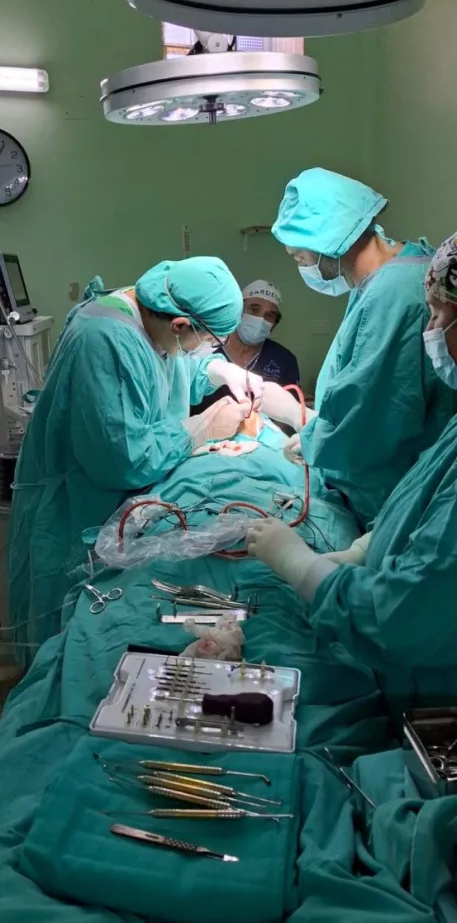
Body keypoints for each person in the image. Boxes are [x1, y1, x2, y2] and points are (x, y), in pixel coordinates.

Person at [246, 231, 457, 724]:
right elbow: (420, 498)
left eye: (441, 314)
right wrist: (367, 547)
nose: (431, 328)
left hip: (434, 703)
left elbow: (404, 618)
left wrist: (301, 565)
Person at [8, 256, 263, 660]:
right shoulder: (103, 339)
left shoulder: (155, 311)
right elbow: (122, 458)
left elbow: (178, 369)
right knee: (68, 636)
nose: (207, 351)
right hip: (77, 507)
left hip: (116, 502)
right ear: (180, 325)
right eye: (212, 343)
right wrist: (200, 429)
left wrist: (220, 372)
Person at [272, 167, 453, 528]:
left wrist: (308, 432)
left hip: (388, 501)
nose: (301, 267)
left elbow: (373, 419)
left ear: (328, 243)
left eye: (299, 257)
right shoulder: (402, 271)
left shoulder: (393, 297)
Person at [191, 279, 300, 415]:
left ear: (274, 324)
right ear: (238, 311)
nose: (261, 319)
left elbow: (288, 413)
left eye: (269, 315)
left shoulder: (284, 360)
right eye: (254, 310)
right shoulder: (205, 349)